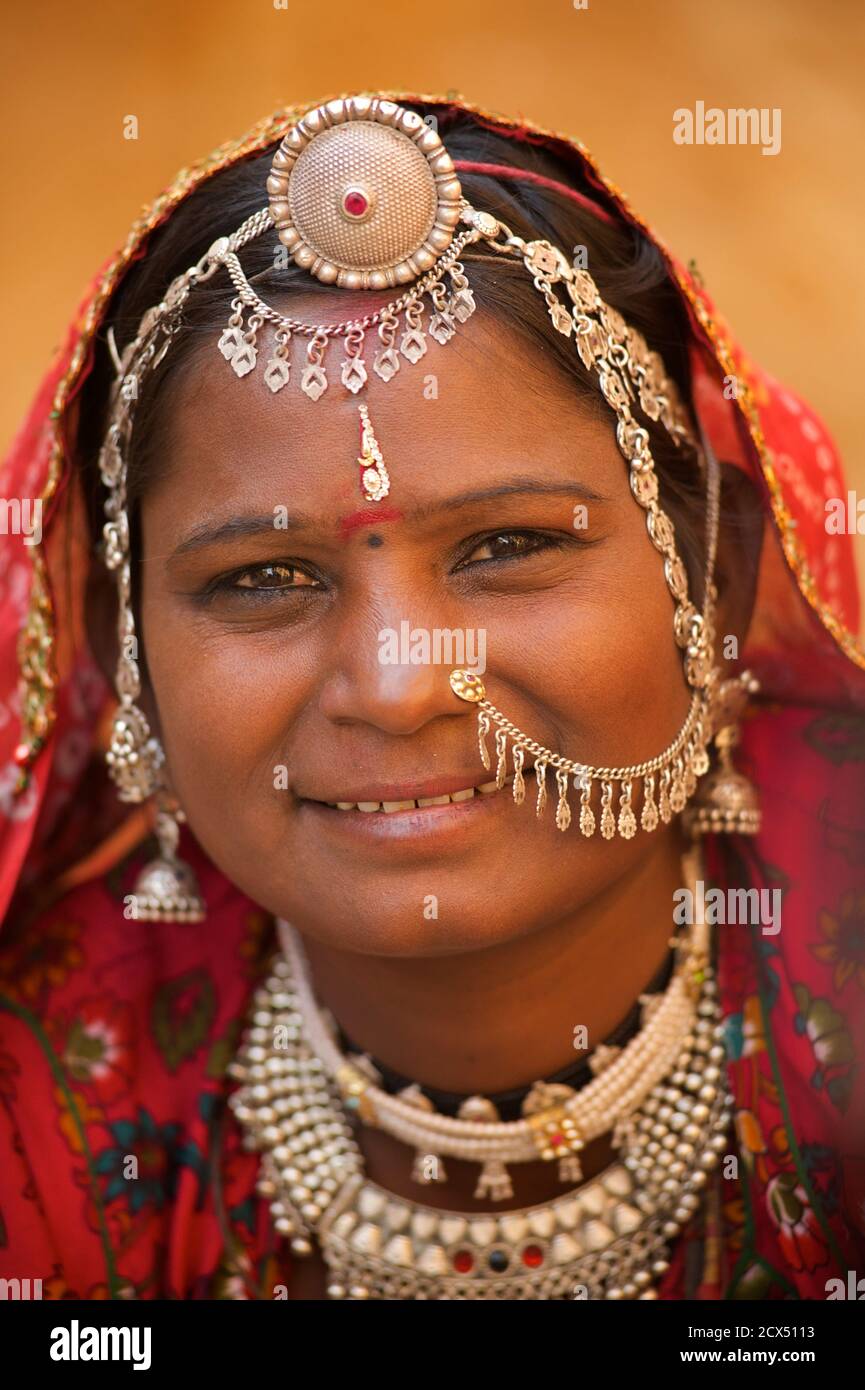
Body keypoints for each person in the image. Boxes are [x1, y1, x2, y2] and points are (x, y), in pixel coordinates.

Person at [1, 92, 863, 1301]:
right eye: (263, 577)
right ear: (124, 648)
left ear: (711, 578)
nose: (399, 687)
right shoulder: (42, 1092)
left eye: (507, 547)